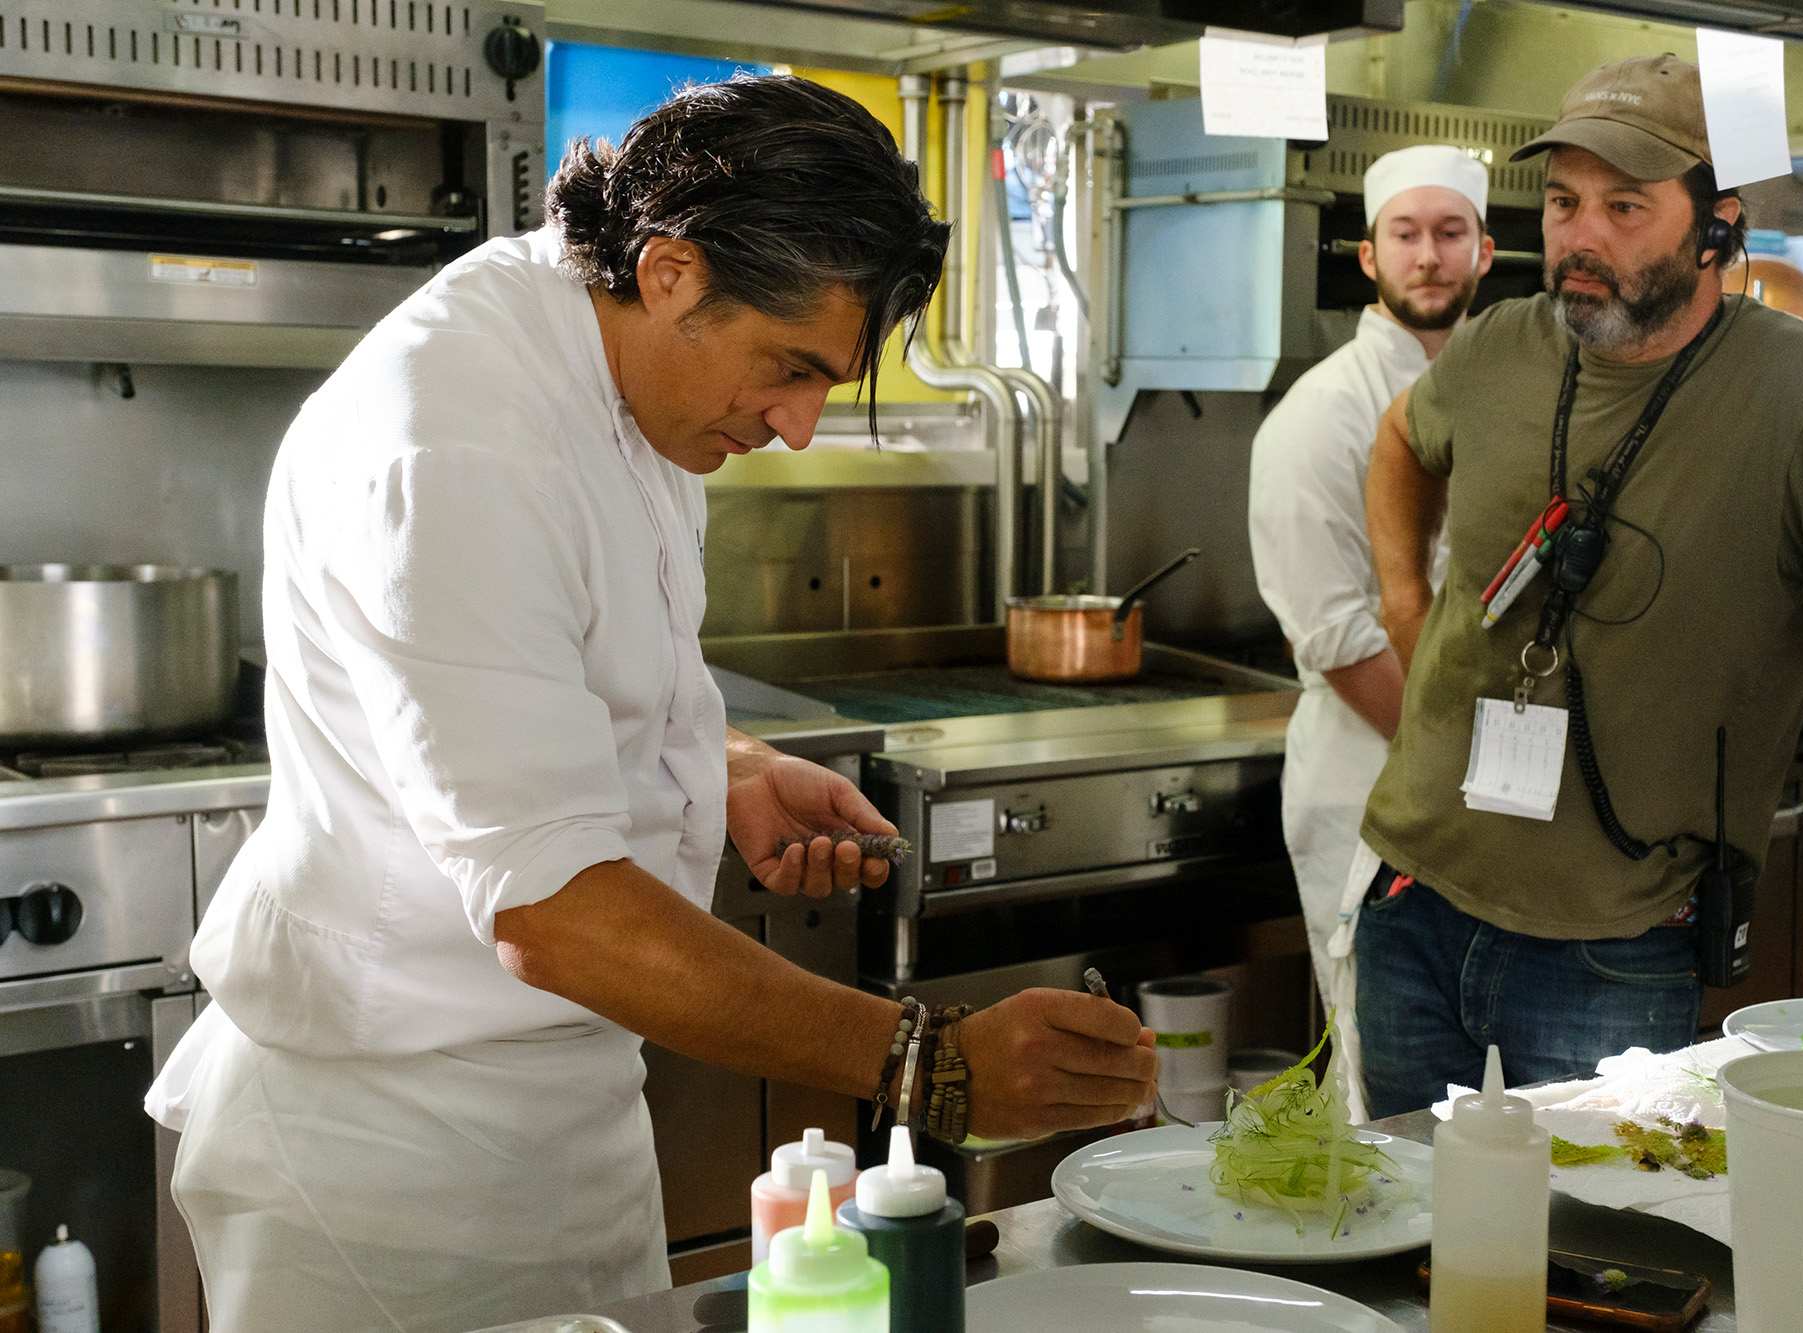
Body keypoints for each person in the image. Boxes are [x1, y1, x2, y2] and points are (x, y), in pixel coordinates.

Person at [144, 76, 1158, 1332]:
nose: (796, 424)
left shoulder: (621, 366)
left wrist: (721, 762)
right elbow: (549, 909)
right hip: (394, 1156)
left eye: (826, 382)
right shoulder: (456, 438)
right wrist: (927, 1063)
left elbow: (557, 669)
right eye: (788, 368)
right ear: (672, 269)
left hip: (565, 1107)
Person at [1358, 54, 1803, 1116]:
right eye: (1563, 202)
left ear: (1716, 226)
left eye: (1623, 205)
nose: (1579, 235)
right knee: (1400, 1240)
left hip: (1614, 944)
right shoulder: (1500, 348)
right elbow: (1398, 441)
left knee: (1600, 1258)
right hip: (1413, 899)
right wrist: (1402, 604)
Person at [1247, 144, 1492, 1118]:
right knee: (1387, 1096)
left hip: (1488, 804)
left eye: (1448, 233)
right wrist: (1458, 773)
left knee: (1496, 1101)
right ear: (1367, 257)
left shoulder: (1505, 402)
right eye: (1406, 234)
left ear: (1482, 254)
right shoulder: (1320, 416)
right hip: (1375, 794)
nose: (1427, 255)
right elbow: (1338, 636)